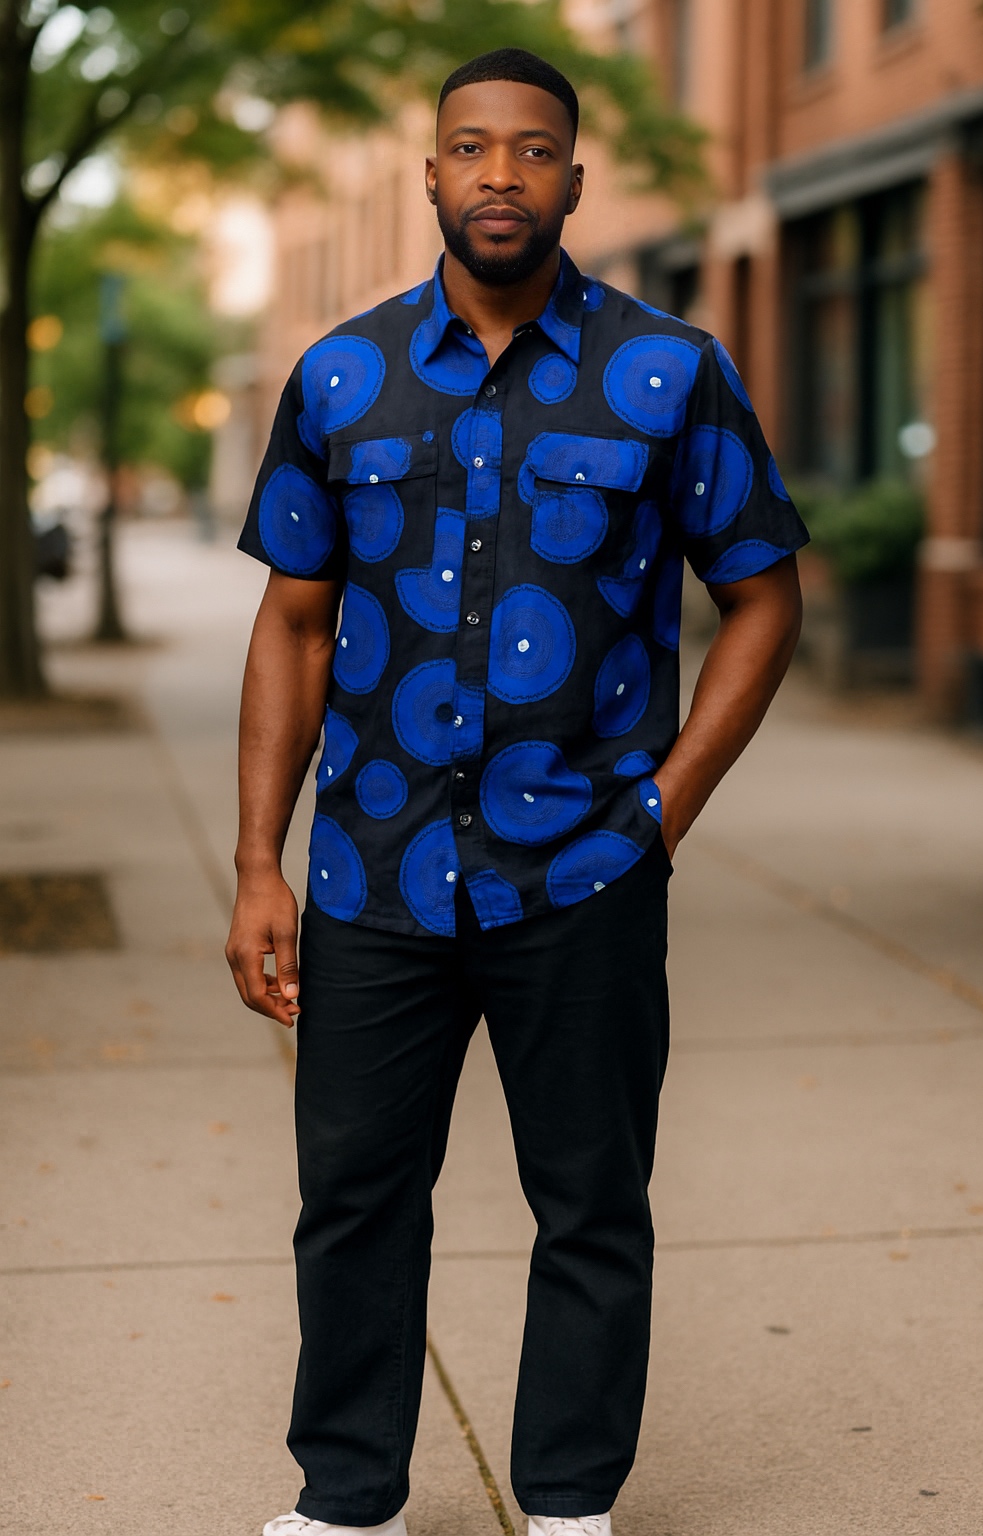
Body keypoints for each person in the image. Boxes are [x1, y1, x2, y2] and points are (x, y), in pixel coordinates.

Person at [227, 47, 807, 1536]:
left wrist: (663, 809)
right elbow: (293, 619)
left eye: (532, 150)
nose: (501, 174)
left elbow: (763, 595)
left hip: (586, 872)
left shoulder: (667, 370)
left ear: (573, 179)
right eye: (472, 149)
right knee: (353, 1199)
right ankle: (345, 1497)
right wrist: (256, 864)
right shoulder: (341, 375)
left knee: (591, 1207)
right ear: (430, 174)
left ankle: (566, 1504)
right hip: (373, 870)